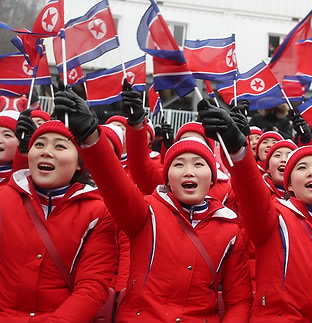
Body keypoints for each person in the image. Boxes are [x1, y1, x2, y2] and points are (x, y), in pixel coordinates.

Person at [53, 88, 253, 322]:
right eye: (178, 165)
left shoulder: (229, 229)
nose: (188, 171)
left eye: (199, 164)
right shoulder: (146, 212)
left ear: (213, 178)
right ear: (166, 177)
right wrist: (90, 137)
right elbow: (112, 181)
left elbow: (239, 301)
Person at [198, 99, 312, 322]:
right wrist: (238, 151)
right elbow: (250, 191)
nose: (311, 172)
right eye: (302, 168)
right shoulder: (274, 219)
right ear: (288, 185)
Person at [0, 120, 117, 322]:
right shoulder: (4, 199)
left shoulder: (98, 213)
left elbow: (92, 286)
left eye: (60, 146)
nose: (46, 152)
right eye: (39, 144)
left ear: (80, 162)